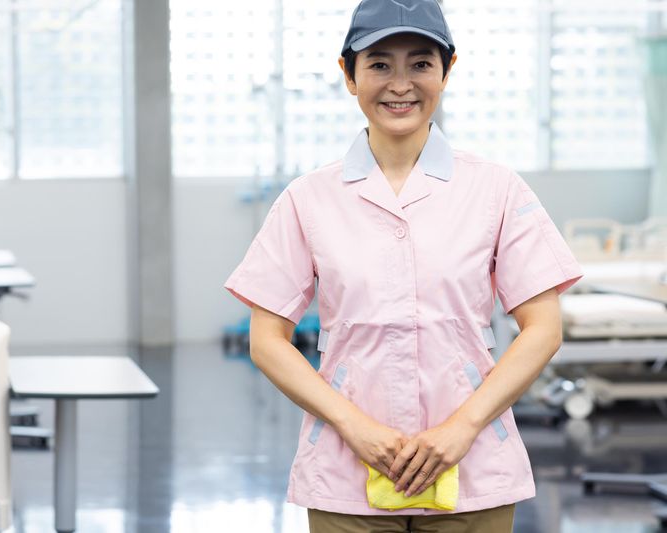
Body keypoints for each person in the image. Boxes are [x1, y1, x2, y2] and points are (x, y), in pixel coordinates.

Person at [224, 0, 583, 531]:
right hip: (348, 471)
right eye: (379, 64)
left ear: (447, 70)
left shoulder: (496, 189)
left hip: (473, 466)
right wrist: (355, 427)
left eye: (420, 63)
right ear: (348, 75)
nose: (400, 84)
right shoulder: (308, 199)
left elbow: (543, 327)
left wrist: (462, 427)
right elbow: (267, 339)